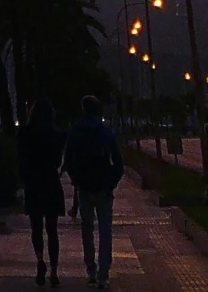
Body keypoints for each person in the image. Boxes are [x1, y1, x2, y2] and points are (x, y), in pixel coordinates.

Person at [61, 95, 123, 289]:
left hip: (85, 187)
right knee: (105, 231)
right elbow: (119, 163)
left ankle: (91, 271)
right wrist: (111, 183)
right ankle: (104, 274)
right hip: (104, 188)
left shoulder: (75, 131)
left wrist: (75, 180)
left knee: (87, 229)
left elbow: (68, 158)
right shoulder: (105, 132)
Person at [18, 99, 66, 287]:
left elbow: (21, 159)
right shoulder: (55, 135)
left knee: (35, 227)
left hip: (33, 183)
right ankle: (54, 271)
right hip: (50, 183)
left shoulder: (25, 134)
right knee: (52, 230)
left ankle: (39, 260)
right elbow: (56, 162)